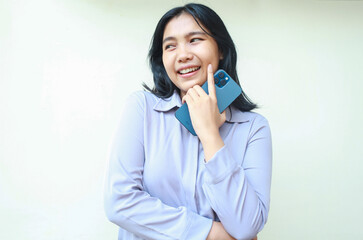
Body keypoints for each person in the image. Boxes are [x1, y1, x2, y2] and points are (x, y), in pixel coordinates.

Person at [104, 3, 272, 240]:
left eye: (195, 40)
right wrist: (211, 234)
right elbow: (119, 202)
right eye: (170, 46)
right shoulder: (142, 109)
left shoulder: (254, 128)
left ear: (220, 49)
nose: (182, 55)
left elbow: (246, 226)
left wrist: (210, 134)